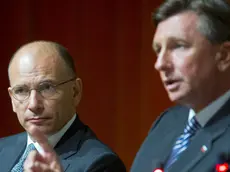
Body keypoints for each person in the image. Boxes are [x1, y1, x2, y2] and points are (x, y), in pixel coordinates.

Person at [131, 0, 230, 172]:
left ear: (223, 56)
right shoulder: (167, 122)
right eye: (158, 50)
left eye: (178, 46)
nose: (160, 64)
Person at [0, 41, 126, 172]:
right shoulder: (2, 149)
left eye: (47, 87)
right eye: (21, 91)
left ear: (75, 91)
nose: (33, 105)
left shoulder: (101, 165)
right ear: (12, 99)